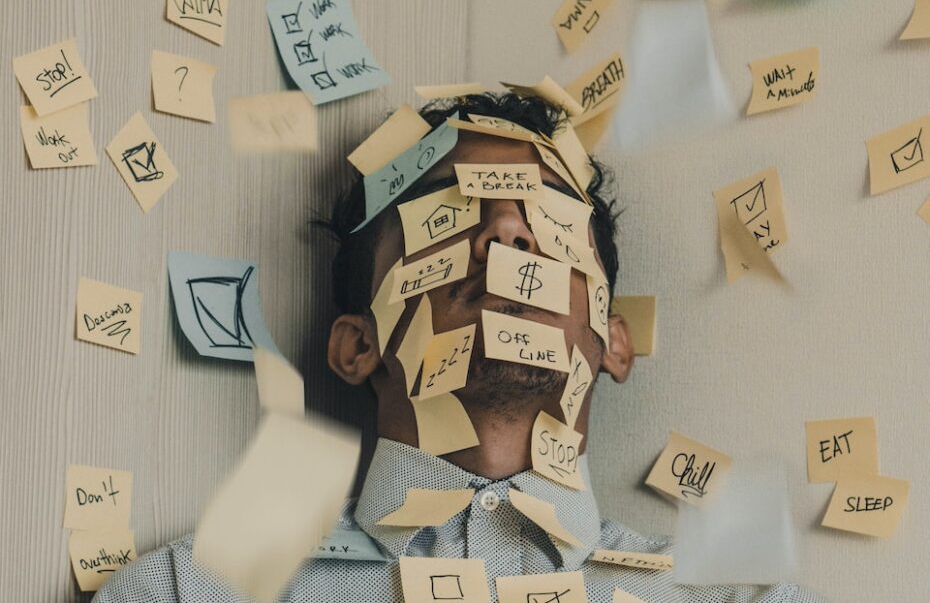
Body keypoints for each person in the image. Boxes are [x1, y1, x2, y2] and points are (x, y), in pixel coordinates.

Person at [93, 94, 829, 602]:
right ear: (357, 347)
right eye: (450, 207)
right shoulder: (186, 593)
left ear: (612, 340)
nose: (507, 233)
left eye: (548, 217)